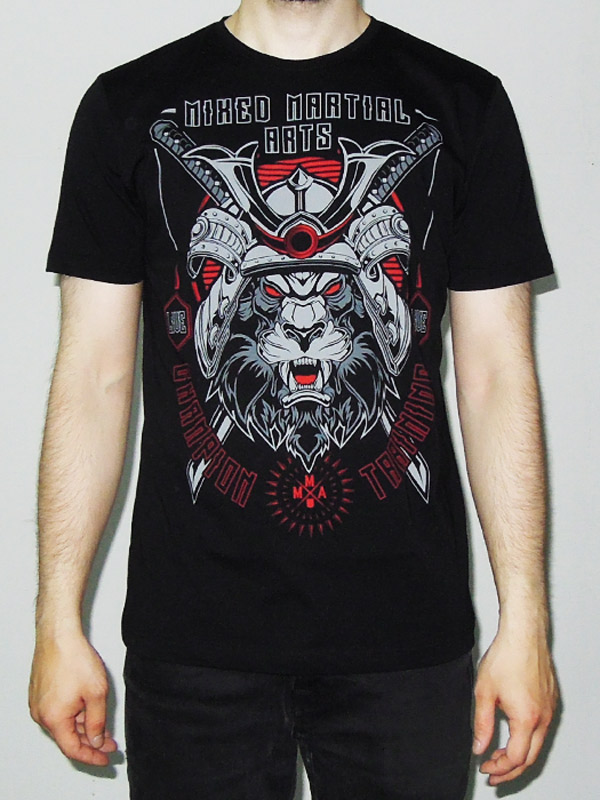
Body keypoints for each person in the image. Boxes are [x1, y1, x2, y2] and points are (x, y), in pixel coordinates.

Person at [29, 0, 559, 797]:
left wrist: (526, 621)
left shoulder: (463, 103)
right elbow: (92, 377)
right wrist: (56, 620)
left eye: (330, 295)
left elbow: (496, 377)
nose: (306, 325)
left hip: (407, 641)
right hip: (194, 643)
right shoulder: (127, 106)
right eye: (277, 293)